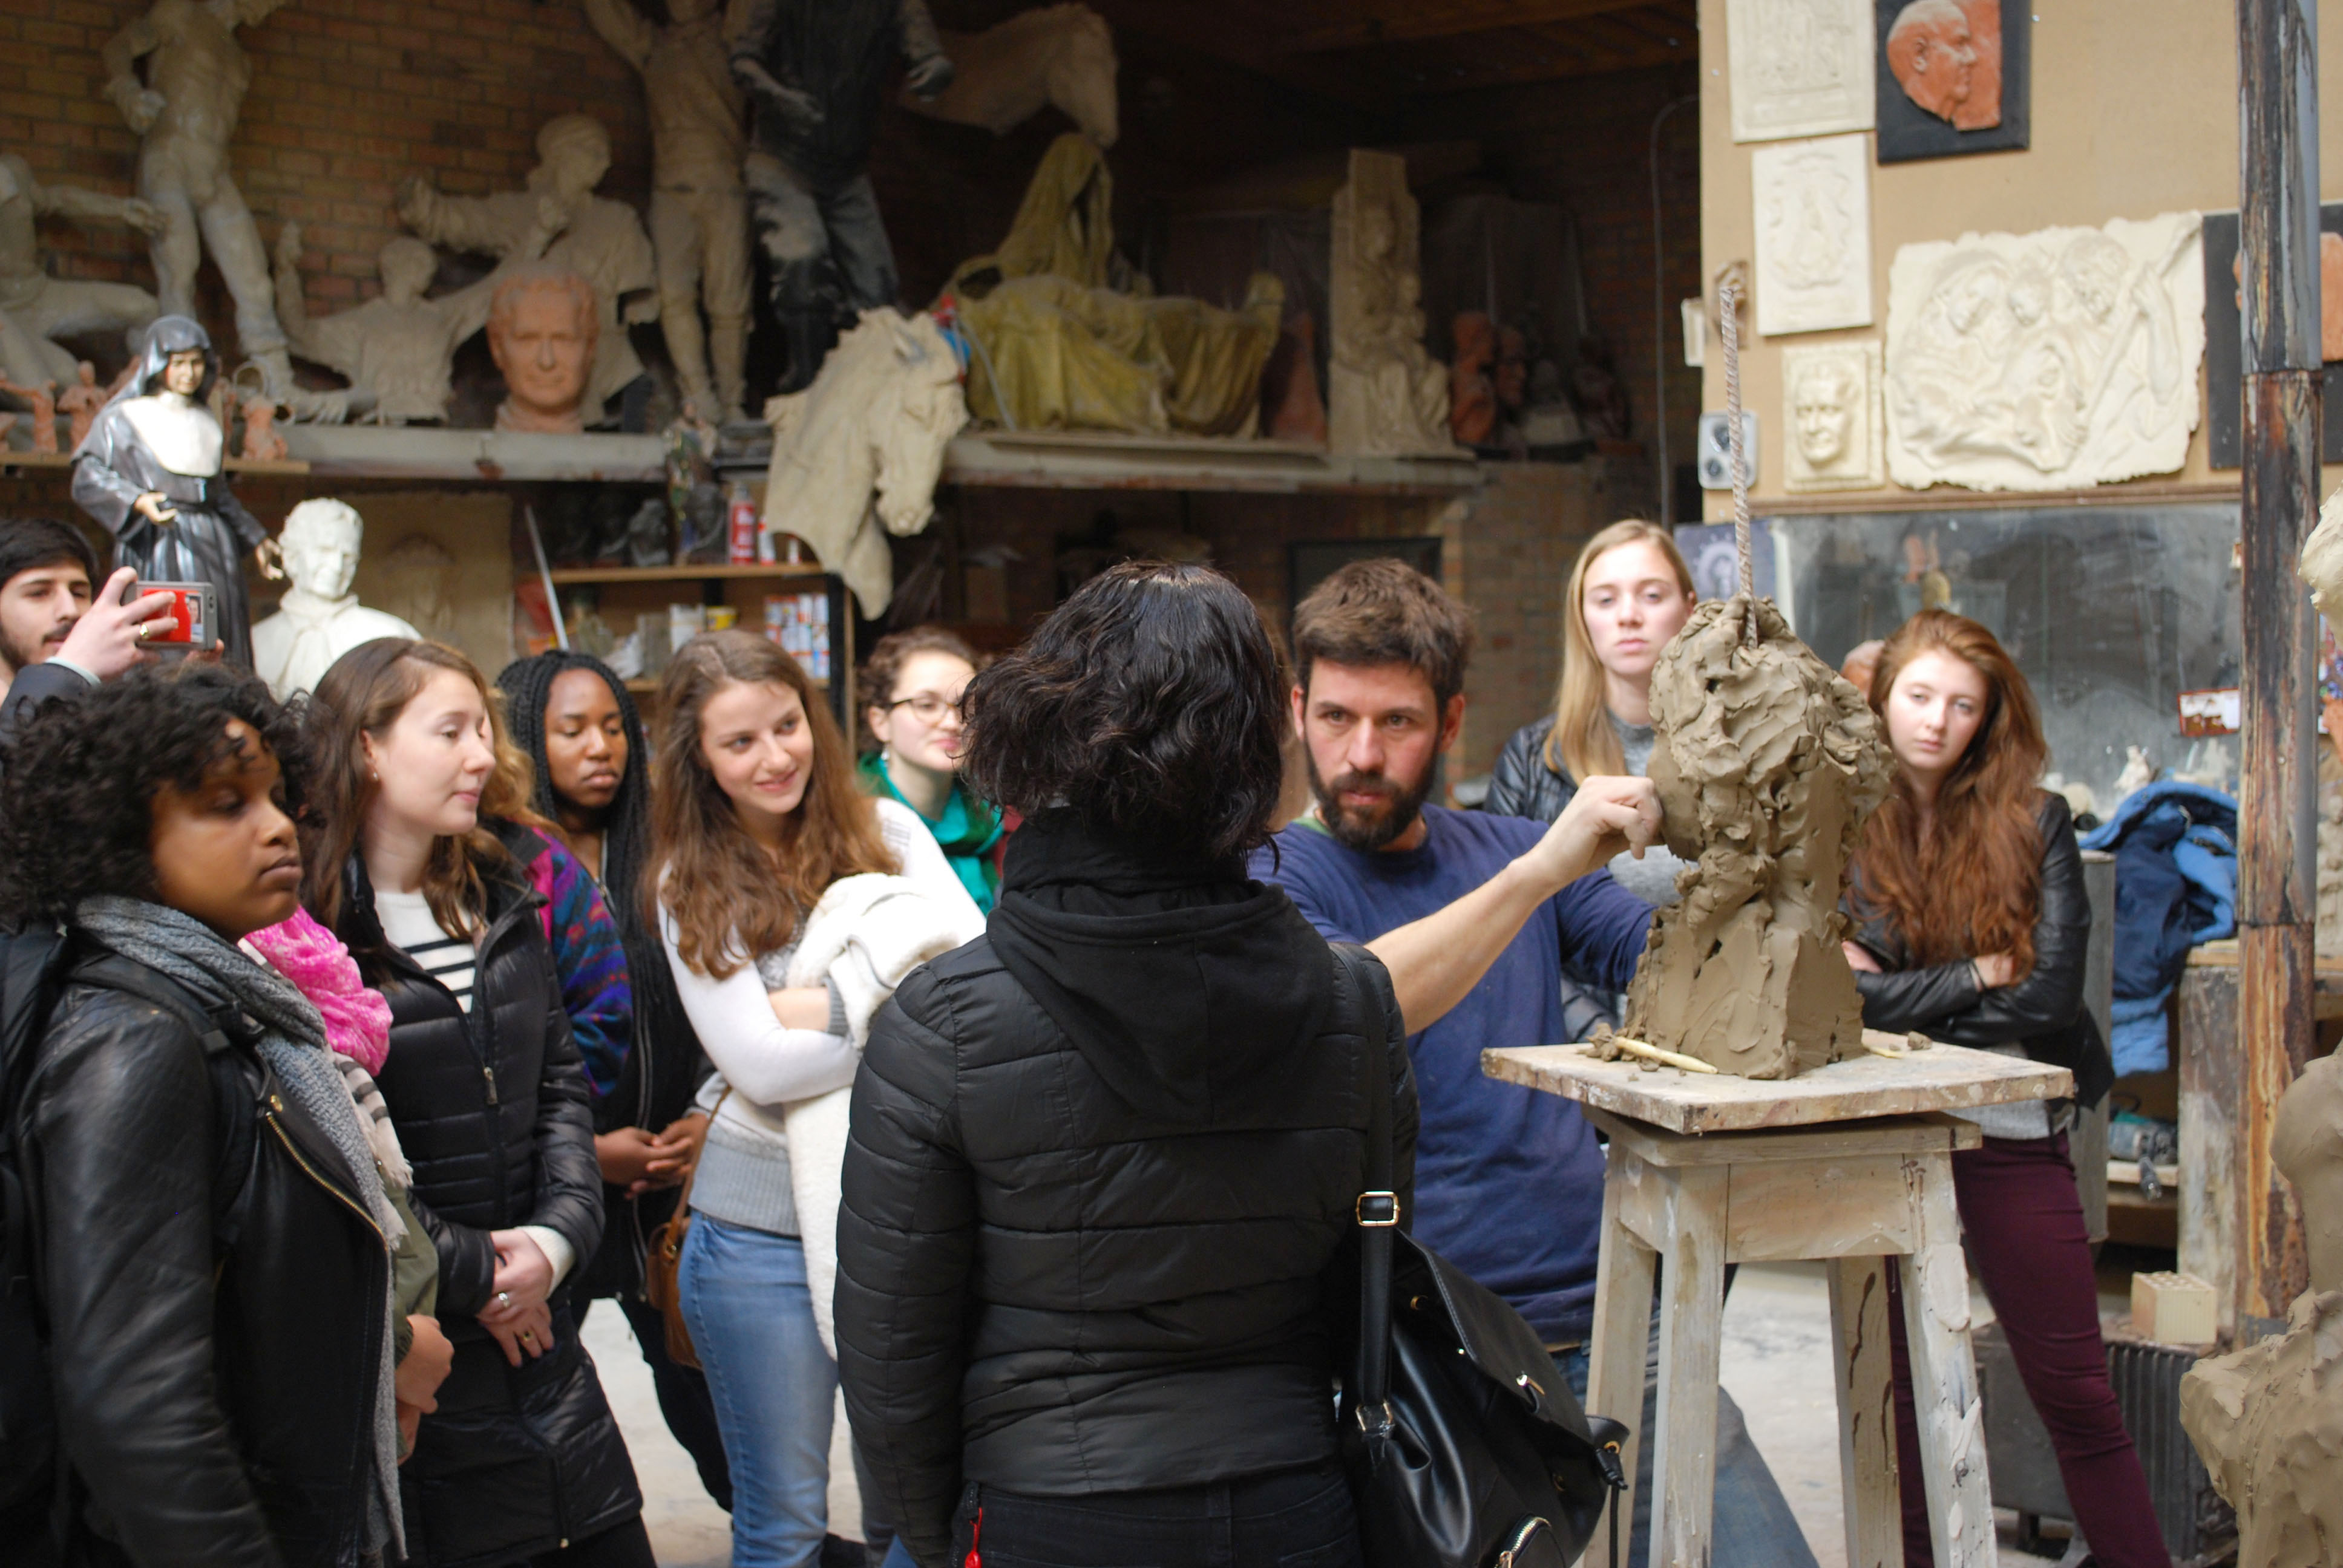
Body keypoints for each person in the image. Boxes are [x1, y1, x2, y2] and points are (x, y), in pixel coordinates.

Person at [837, 563, 1416, 1567]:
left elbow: (893, 1356)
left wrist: (937, 1540)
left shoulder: (942, 1023)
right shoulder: (1351, 1001)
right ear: (1254, 753)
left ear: (1050, 738)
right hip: (1295, 1502)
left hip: (1047, 1508)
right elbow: (1369, 1279)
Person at [1252, 558, 1818, 1568]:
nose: (1361, 754)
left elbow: (1678, 958)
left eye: (1398, 723)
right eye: (1336, 718)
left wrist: (1747, 824)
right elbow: (1359, 1001)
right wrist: (1543, 868)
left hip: (1607, 1307)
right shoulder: (1273, 873)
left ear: (1453, 719)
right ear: (1297, 709)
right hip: (1426, 1345)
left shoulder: (1506, 846)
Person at [2, 664, 404, 1566]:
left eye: (275, 794)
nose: (276, 827)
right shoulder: (135, 1036)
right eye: (225, 804)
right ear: (119, 836)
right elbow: (138, 1403)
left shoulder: (225, 1002)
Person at [304, 638, 652, 1568]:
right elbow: (332, 1144)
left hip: (544, 1331)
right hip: (422, 1347)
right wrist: (476, 1277)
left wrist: (558, 1239)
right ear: (368, 748)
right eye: (449, 731)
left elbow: (561, 1086)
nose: (481, 757)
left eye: (484, 731)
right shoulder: (312, 931)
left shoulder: (499, 895)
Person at [650, 629, 978, 1567]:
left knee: (917, 1517)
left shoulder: (890, 832)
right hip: (756, 1240)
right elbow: (759, 1067)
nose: (774, 757)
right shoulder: (688, 882)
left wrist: (818, 1011)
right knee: (785, 1528)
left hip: (905, 1219)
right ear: (700, 760)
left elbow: (973, 995)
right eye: (739, 742)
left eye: (787, 726)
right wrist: (887, 1012)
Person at [1842, 610, 2158, 1568]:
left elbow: (2054, 991)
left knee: (2072, 1386)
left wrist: (1899, 1002)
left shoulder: (2036, 816)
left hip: (2008, 1124)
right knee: (1902, 1401)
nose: (1936, 721)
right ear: (1882, 699)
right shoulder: (1842, 819)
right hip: (1884, 1126)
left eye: (1962, 704)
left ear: (1990, 716)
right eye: (1919, 696)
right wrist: (1979, 977)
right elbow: (1836, 996)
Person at [497, 649, 732, 1514]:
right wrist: (586, 1154)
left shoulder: (666, 851)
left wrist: (710, 1115)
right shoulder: (499, 869)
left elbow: (724, 997)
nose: (602, 748)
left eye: (612, 728)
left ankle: (791, 1540)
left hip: (669, 1185)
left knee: (703, 1396)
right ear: (526, 739)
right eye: (571, 731)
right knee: (539, 1405)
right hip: (551, 1191)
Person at [1486, 519, 1698, 909]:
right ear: (1582, 620)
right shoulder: (1533, 758)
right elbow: (1500, 908)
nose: (1628, 616)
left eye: (1652, 596)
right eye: (1606, 600)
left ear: (1690, 609)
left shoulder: (1737, 748)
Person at [70, 315, 280, 668]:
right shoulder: (122, 419)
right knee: (168, 641)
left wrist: (256, 537)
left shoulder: (206, 419)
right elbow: (87, 477)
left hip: (214, 545)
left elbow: (218, 495)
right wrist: (137, 501)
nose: (190, 372)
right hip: (159, 543)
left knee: (220, 638)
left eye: (197, 362)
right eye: (179, 362)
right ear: (157, 362)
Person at [857, 626, 1005, 913]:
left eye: (967, 707)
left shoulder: (996, 811)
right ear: (880, 722)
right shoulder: (852, 822)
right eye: (926, 705)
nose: (951, 722)